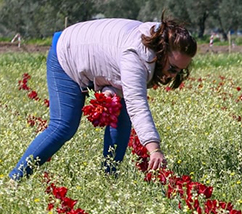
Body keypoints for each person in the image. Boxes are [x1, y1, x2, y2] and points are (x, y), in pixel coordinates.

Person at [9, 14, 197, 181]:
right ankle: (15, 179)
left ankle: (109, 178)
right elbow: (137, 104)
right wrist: (154, 149)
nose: (173, 76)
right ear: (163, 52)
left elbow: (112, 66)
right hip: (67, 52)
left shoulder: (157, 41)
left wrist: (110, 92)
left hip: (89, 56)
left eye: (180, 71)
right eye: (172, 68)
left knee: (121, 120)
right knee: (63, 126)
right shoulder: (136, 56)